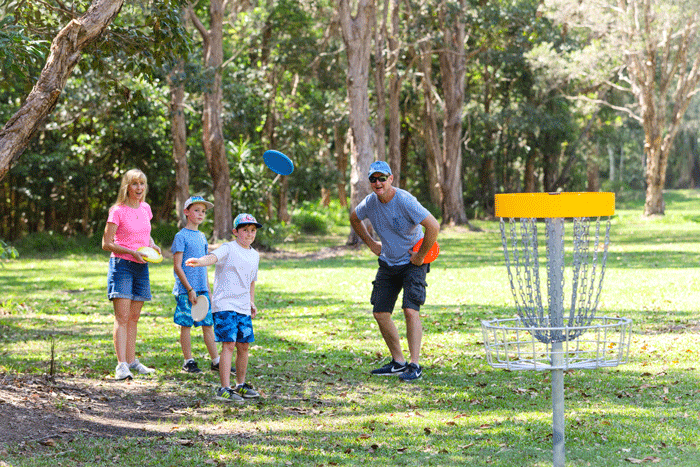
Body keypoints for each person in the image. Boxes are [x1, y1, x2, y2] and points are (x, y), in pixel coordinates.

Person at [349, 161, 440, 382]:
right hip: (388, 262)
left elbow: (433, 226)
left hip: (413, 262)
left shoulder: (405, 200)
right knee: (380, 313)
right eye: (373, 179)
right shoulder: (370, 203)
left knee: (410, 310)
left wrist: (419, 256)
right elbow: (354, 217)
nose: (378, 183)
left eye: (382, 178)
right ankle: (398, 362)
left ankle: (415, 365)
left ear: (391, 178)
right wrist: (371, 243)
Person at [185, 213, 262, 403]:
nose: (250, 234)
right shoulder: (228, 248)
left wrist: (251, 302)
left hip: (243, 306)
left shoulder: (255, 255)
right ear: (236, 232)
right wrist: (200, 261)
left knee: (243, 346)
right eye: (245, 230)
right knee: (229, 345)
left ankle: (240, 385)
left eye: (253, 230)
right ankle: (224, 388)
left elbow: (252, 282)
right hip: (225, 305)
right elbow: (212, 257)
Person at [102, 168, 161, 381]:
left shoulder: (146, 208)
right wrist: (131, 252)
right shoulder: (117, 210)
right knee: (123, 317)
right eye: (134, 184)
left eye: (142, 184)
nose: (139, 188)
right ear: (127, 187)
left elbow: (145, 234)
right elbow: (106, 243)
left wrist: (152, 246)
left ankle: (132, 360)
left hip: (141, 266)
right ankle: (121, 365)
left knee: (134, 318)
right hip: (122, 266)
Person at [172, 196, 227, 374]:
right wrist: (189, 289)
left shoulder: (202, 237)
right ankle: (188, 361)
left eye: (203, 211)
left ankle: (216, 361)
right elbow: (177, 266)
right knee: (186, 325)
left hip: (202, 289)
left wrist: (208, 291)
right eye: (196, 210)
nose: (201, 214)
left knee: (208, 325)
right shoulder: (180, 236)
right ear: (186, 212)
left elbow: (203, 266)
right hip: (185, 290)